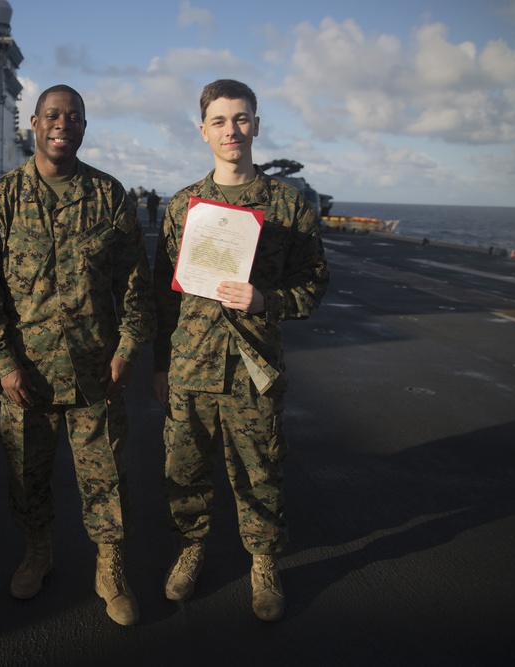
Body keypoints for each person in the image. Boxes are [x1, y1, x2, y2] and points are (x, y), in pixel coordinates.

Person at [0, 85, 156, 626]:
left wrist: (127, 348)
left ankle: (110, 568)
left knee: (107, 480)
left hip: (97, 372)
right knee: (26, 478)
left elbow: (136, 283)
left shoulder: (109, 195)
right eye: (52, 115)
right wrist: (3, 362)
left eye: (73, 117)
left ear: (83, 126)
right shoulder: (0, 199)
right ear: (33, 121)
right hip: (25, 378)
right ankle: (38, 552)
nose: (62, 125)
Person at [152, 79, 329, 622]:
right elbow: (163, 293)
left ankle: (264, 561)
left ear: (257, 123)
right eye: (221, 121)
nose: (233, 130)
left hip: (254, 366)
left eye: (242, 119)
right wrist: (160, 365)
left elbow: (314, 285)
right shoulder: (183, 206)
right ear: (203, 130)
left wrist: (266, 299)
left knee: (261, 469)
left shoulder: (289, 206)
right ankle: (192, 547)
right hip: (190, 365)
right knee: (184, 467)